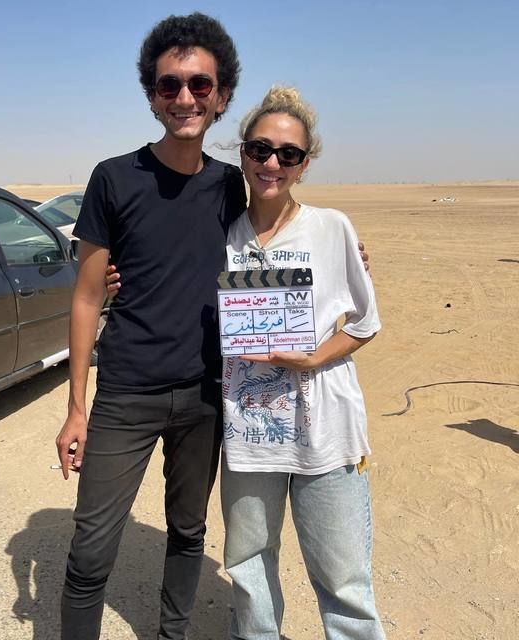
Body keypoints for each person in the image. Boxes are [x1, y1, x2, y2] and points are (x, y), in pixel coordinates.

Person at [55, 13, 246, 640]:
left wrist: (341, 257)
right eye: (170, 85)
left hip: (204, 396)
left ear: (221, 95)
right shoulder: (114, 178)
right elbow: (87, 297)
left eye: (199, 84)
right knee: (91, 548)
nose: (185, 98)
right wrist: (77, 407)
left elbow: (275, 245)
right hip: (126, 393)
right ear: (152, 95)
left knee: (188, 531)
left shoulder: (232, 186)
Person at [220, 86, 386, 639]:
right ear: (243, 152)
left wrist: (314, 356)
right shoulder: (219, 234)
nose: (272, 163)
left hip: (326, 429)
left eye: (288, 153)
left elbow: (364, 322)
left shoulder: (332, 228)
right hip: (247, 432)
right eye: (260, 149)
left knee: (344, 582)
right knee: (249, 569)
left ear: (304, 163)